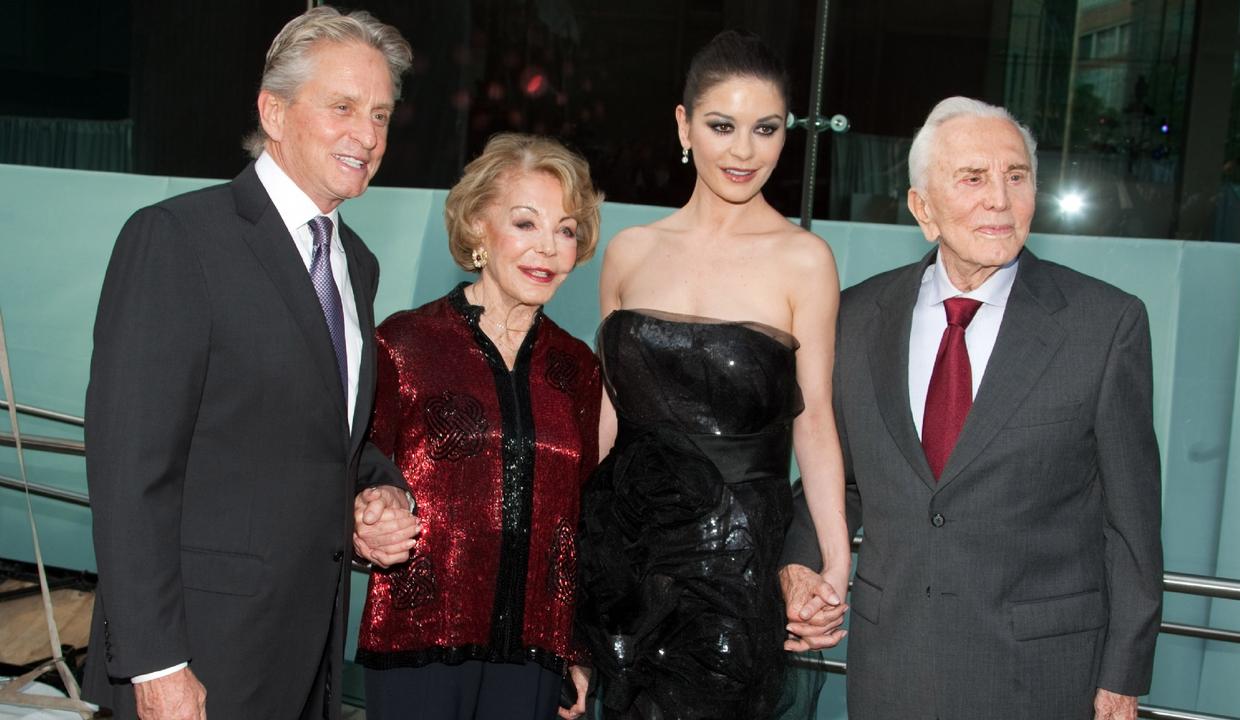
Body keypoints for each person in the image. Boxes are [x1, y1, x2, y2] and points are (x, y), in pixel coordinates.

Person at [81, 8, 419, 719]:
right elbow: (130, 470)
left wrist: (379, 490)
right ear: (274, 110)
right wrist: (156, 665)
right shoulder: (177, 240)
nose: (368, 135)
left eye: (382, 115)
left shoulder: (357, 264)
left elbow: (322, 438)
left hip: (307, 660)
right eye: (343, 107)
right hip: (199, 663)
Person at [780, 96, 1163, 720]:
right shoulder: (853, 319)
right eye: (973, 178)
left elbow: (1133, 523)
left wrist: (1122, 679)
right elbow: (840, 479)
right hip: (890, 669)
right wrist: (798, 563)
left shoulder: (1104, 324)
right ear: (922, 208)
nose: (1000, 199)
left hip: (1041, 679)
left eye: (1017, 176)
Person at [575, 30, 849, 720]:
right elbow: (609, 413)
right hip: (626, 551)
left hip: (734, 563)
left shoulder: (804, 260)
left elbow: (813, 419)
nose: (744, 151)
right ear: (684, 125)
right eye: (722, 126)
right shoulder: (629, 251)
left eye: (766, 129)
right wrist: (572, 551)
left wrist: (835, 564)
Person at [353, 133, 603, 720]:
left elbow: (587, 513)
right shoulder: (405, 343)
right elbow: (356, 466)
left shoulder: (578, 368)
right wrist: (362, 522)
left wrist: (581, 648)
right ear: (476, 230)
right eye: (525, 224)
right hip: (418, 646)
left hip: (536, 655)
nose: (548, 248)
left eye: (566, 230)